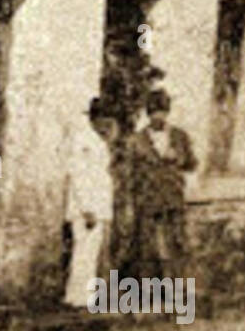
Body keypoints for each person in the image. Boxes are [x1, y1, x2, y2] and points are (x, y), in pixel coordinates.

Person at [132, 89, 197, 277]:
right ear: (148, 114)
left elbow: (192, 164)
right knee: (149, 247)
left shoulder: (179, 136)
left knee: (177, 244)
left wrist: (178, 157)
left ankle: (177, 288)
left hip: (173, 197)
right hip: (148, 201)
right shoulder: (138, 140)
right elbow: (132, 173)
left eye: (162, 112)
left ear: (167, 112)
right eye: (153, 113)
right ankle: (150, 291)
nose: (158, 117)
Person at [63, 97, 117, 307]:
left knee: (90, 253)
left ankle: (84, 297)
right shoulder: (83, 141)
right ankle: (78, 298)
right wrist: (87, 209)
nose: (106, 125)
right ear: (94, 119)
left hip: (98, 206)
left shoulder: (97, 141)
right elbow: (78, 175)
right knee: (84, 252)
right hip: (87, 209)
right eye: (104, 120)